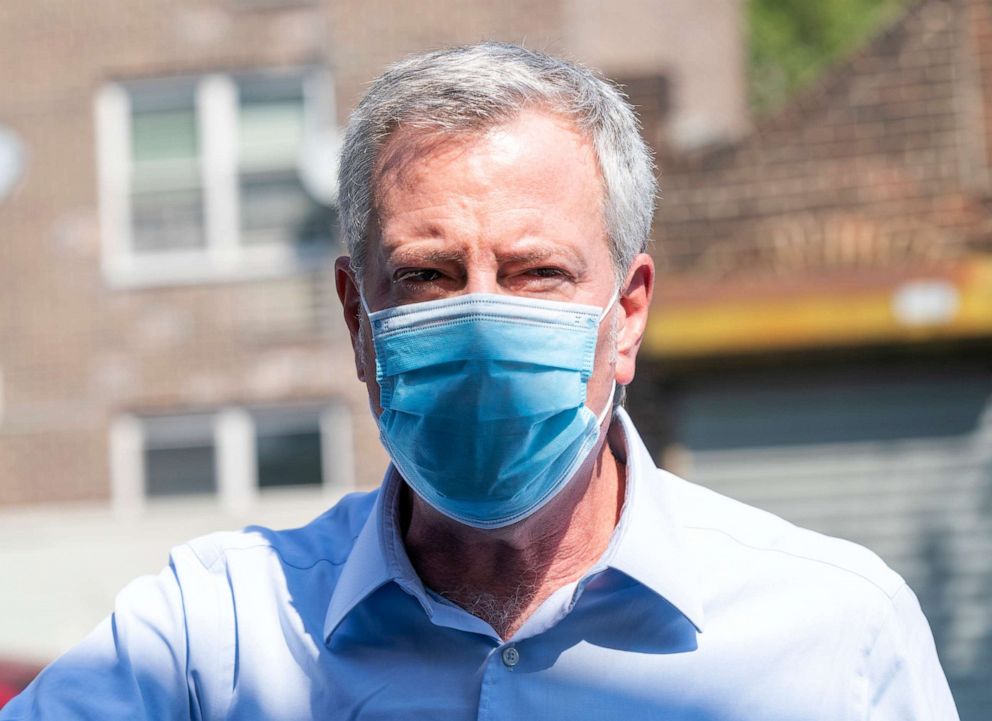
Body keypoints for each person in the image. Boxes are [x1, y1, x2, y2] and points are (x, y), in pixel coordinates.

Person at [1, 42, 959, 720]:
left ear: (626, 313)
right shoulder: (214, 640)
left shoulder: (834, 634)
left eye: (536, 272)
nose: (483, 319)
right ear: (356, 317)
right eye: (428, 275)